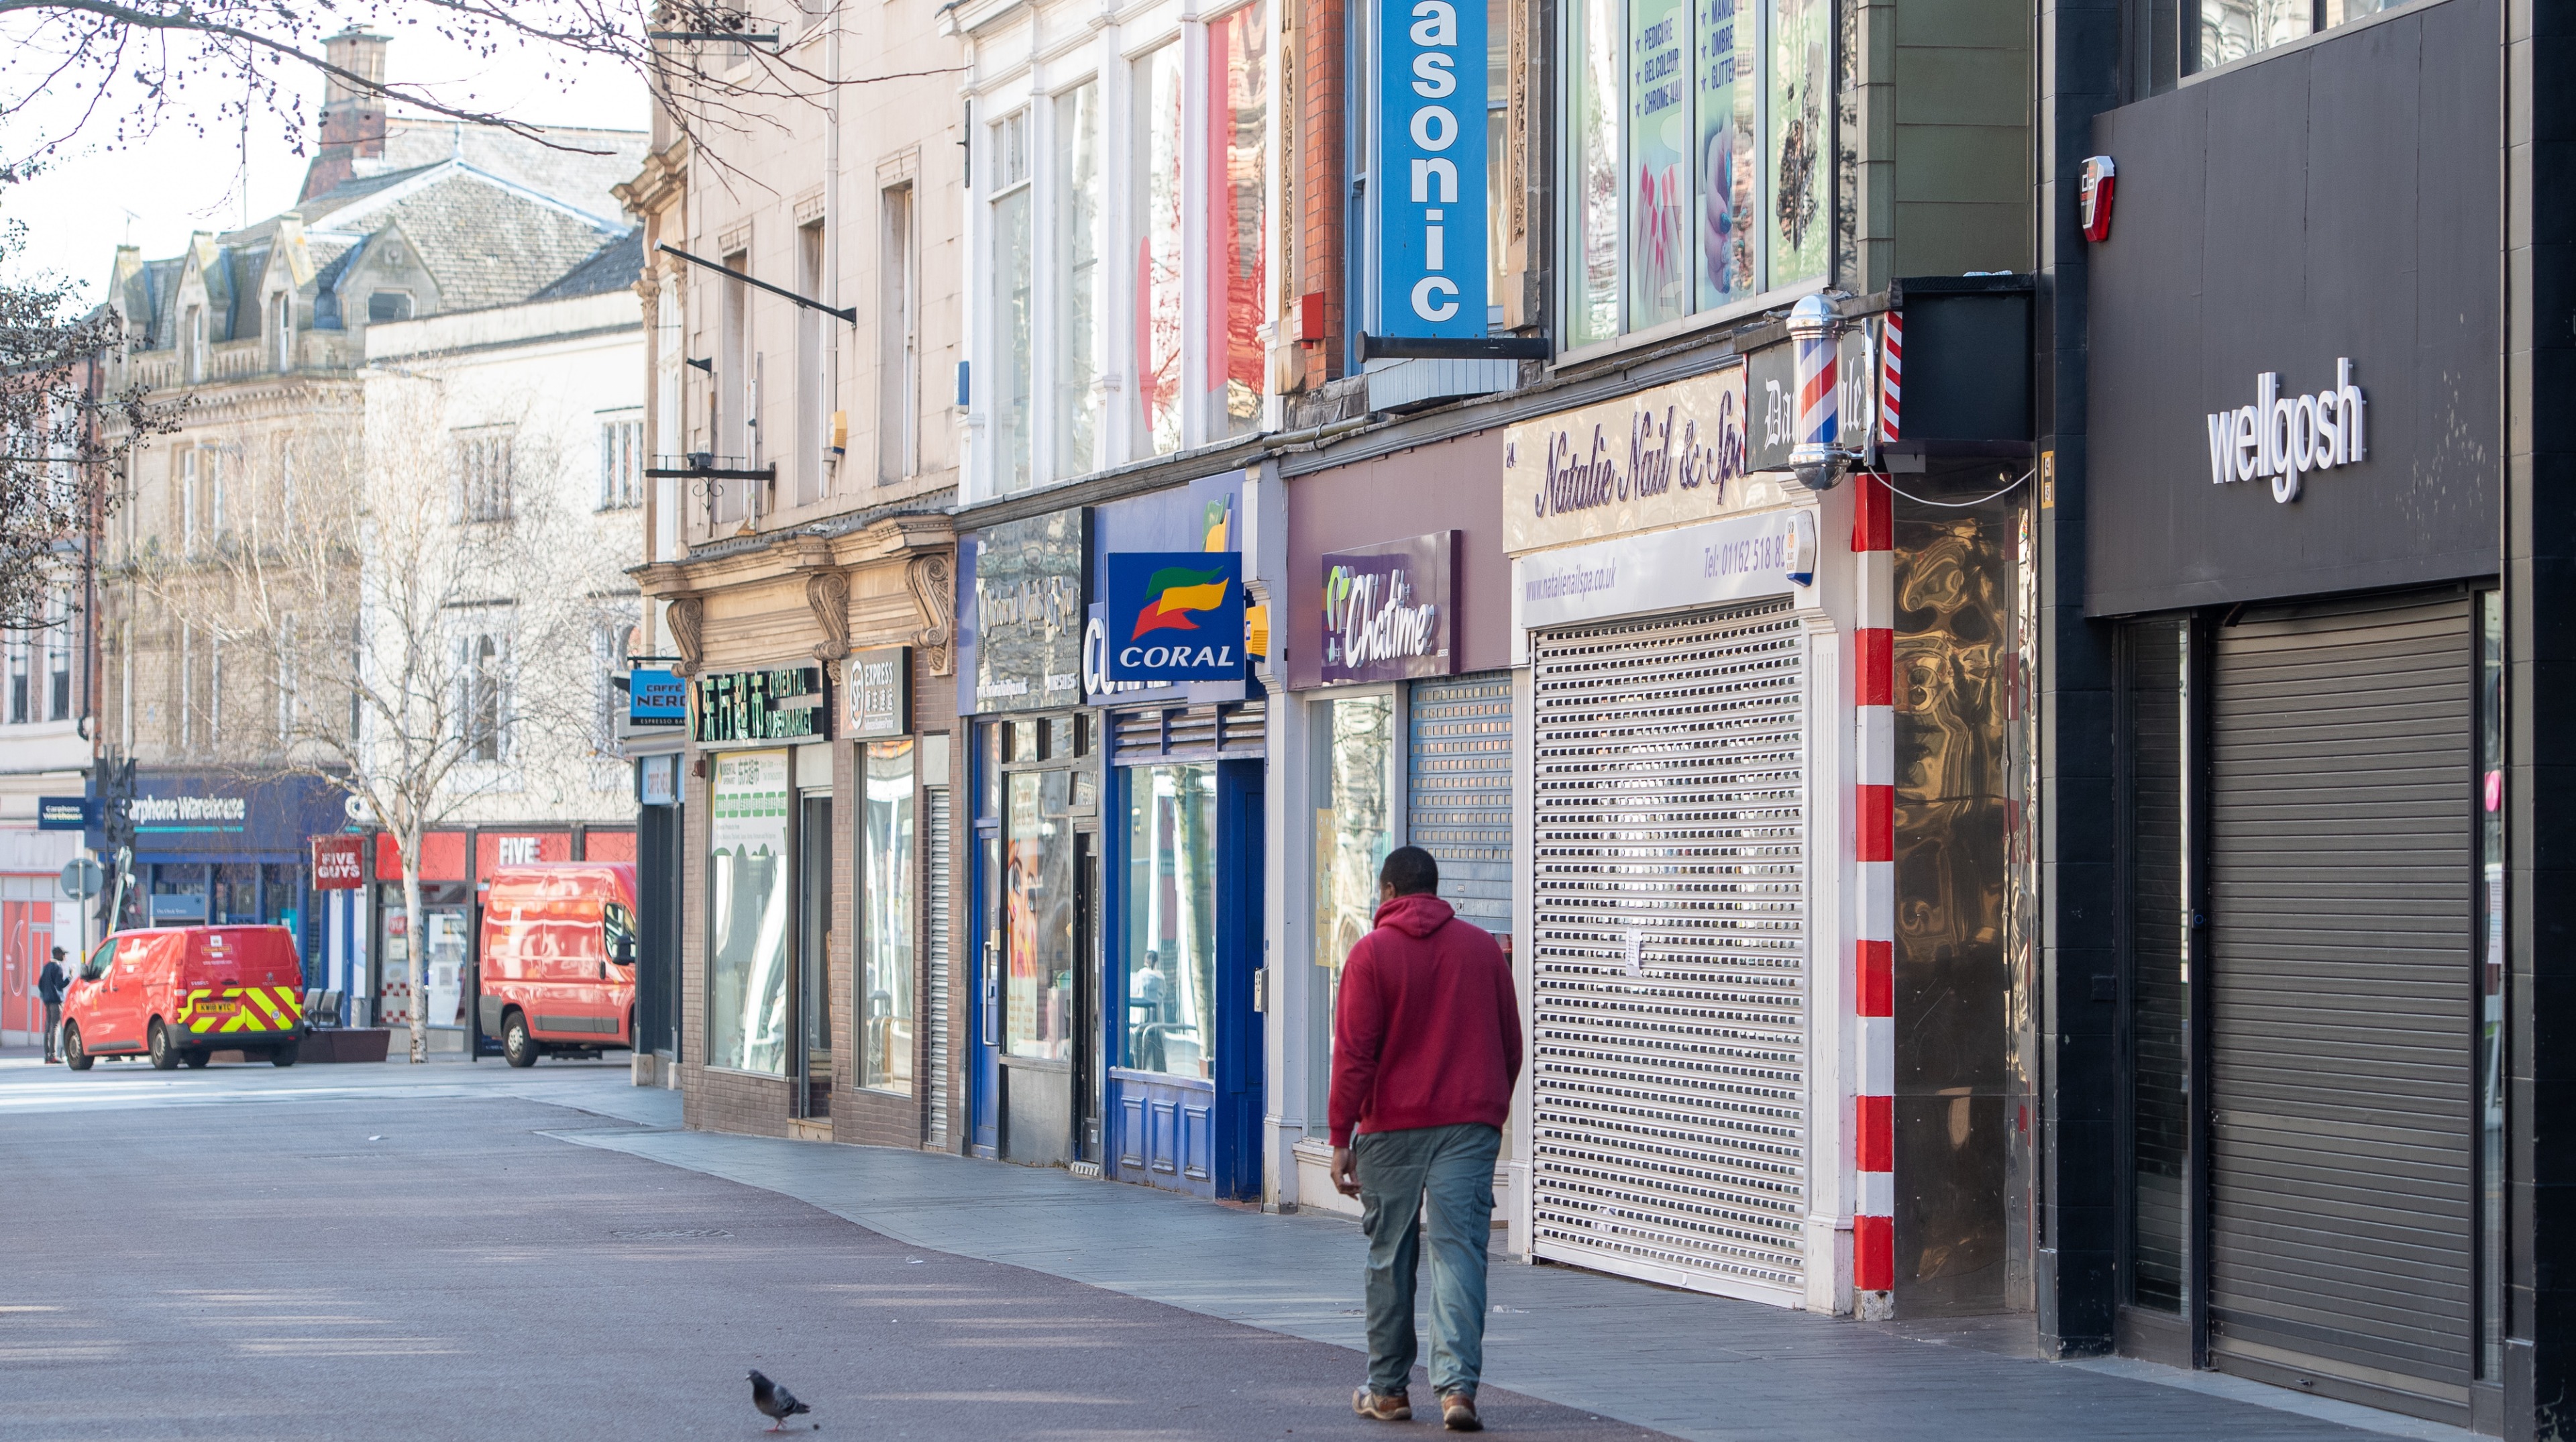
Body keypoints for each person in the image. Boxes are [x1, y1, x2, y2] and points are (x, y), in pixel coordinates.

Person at [1330, 846, 1521, 1433]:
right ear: (1436, 892)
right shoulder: (1483, 949)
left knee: (1390, 1253)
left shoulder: (1370, 954)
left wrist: (1341, 1136)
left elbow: (1355, 1054)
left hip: (1391, 1127)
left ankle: (1388, 1390)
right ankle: (1457, 1388)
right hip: (1468, 1126)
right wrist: (1486, 1107)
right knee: (1460, 1249)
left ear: (1388, 893)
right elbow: (1510, 1042)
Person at [37, 946, 70, 1064]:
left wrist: (46, 994)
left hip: (47, 1000)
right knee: (55, 1027)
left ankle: (47, 1056)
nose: (64, 957)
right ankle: (53, 1055)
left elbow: (40, 984)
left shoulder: (46, 966)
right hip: (56, 1001)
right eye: (63, 954)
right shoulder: (57, 967)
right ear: (58, 954)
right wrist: (70, 977)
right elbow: (60, 985)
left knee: (48, 1028)